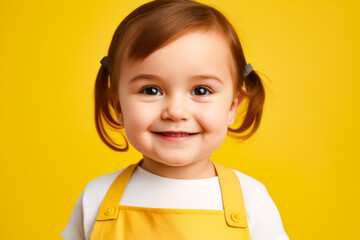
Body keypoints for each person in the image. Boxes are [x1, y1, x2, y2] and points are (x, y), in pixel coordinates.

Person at [62, 0, 289, 239]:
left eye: (201, 90)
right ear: (118, 107)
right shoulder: (97, 197)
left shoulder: (251, 200)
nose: (176, 111)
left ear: (232, 107)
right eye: (151, 90)